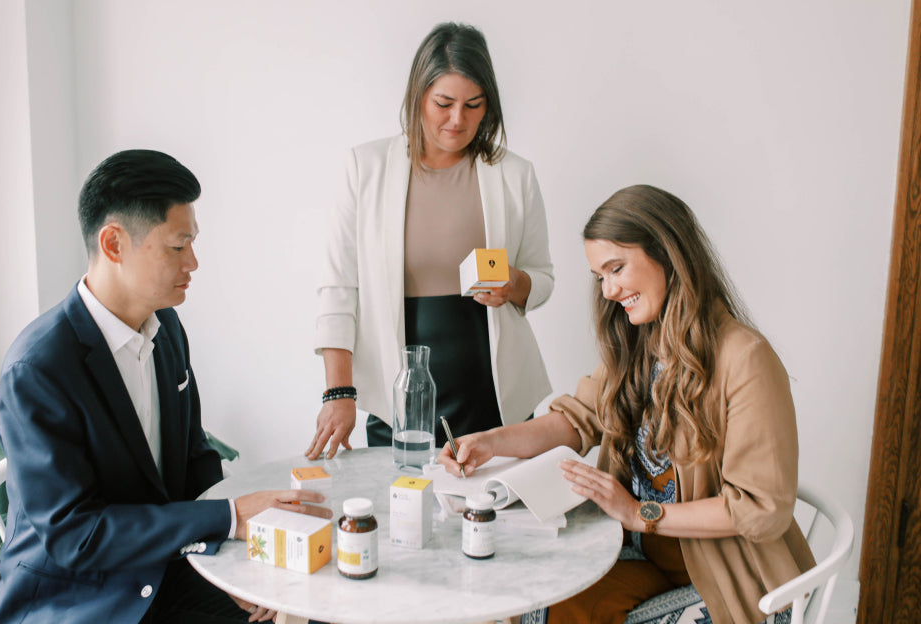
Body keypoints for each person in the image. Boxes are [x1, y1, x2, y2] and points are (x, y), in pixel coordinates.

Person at [438, 185, 815, 624]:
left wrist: (639, 513)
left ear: (668, 252)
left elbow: (760, 509)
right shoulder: (642, 343)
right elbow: (575, 420)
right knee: (524, 601)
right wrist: (489, 442)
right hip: (640, 555)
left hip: (727, 581)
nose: (609, 290)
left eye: (616, 268)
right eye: (600, 276)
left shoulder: (746, 358)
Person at [0, 150, 332, 624]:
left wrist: (234, 566)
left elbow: (195, 459)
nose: (194, 261)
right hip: (79, 600)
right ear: (114, 243)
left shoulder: (166, 329)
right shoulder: (38, 368)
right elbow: (74, 536)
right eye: (177, 246)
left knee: (306, 606)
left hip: (165, 571)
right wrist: (229, 517)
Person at [307, 22, 554, 460]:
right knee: (402, 512)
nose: (458, 120)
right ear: (418, 94)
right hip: (397, 390)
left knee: (498, 520)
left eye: (473, 105)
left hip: (495, 391)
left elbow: (542, 279)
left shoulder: (515, 175)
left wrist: (513, 284)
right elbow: (339, 288)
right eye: (444, 103)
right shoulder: (366, 169)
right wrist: (338, 391)